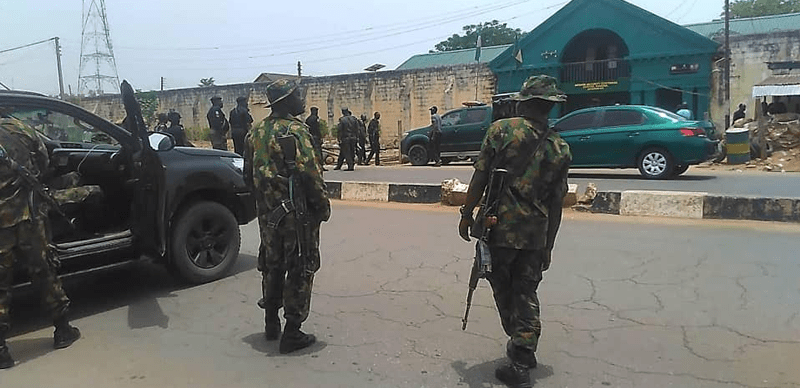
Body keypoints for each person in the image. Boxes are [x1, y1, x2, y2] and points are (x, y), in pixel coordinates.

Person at [457, 75, 572, 388]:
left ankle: (521, 352)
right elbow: (557, 202)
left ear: (525, 102)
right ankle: (524, 344)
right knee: (527, 290)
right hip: (536, 234)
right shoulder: (560, 147)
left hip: (500, 230)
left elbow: (480, 177)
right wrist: (549, 244)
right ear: (549, 106)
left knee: (504, 290)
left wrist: (467, 215)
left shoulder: (501, 131)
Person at [244, 79, 330, 354]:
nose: (302, 99)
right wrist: (322, 206)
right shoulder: (296, 132)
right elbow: (311, 175)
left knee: (272, 264)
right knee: (300, 267)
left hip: (268, 215)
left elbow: (247, 176)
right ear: (287, 101)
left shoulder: (254, 132)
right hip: (296, 216)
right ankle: (292, 331)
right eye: (297, 95)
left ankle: (271, 323)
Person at [0, 116, 82, 369]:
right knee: (44, 271)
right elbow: (44, 161)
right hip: (27, 216)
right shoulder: (19, 128)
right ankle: (62, 330)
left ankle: (1, 351)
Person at [305, 107, 326, 171]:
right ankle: (320, 165)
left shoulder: (308, 119)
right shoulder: (316, 118)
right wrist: (320, 137)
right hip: (316, 137)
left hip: (310, 136)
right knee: (318, 152)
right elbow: (317, 128)